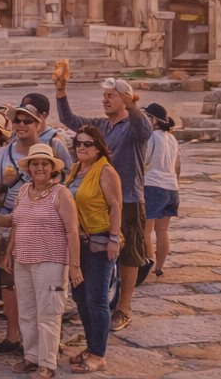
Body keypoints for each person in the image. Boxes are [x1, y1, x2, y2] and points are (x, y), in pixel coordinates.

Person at [54, 71, 151, 332]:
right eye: (104, 96)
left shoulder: (133, 125)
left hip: (128, 199)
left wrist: (132, 104)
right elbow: (69, 120)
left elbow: (146, 130)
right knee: (95, 252)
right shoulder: (101, 126)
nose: (105, 100)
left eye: (111, 96)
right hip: (96, 202)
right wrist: (61, 91)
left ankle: (123, 308)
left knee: (128, 255)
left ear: (125, 98)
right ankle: (95, 303)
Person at [0, 144, 81, 379]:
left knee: (48, 313)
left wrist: (74, 266)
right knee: (26, 312)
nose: (39, 167)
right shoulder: (24, 190)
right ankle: (31, 357)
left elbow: (72, 231)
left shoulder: (61, 194)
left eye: (44, 164)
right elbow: (15, 221)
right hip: (23, 261)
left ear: (52, 168)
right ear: (29, 167)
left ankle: (47, 364)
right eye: (35, 163)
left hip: (51, 261)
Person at [64, 125, 122, 374]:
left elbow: (116, 205)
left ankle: (98, 355)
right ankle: (91, 347)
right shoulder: (76, 169)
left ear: (98, 148)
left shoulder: (105, 170)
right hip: (77, 243)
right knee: (80, 298)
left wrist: (113, 239)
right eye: (78, 143)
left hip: (99, 242)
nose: (82, 147)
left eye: (88, 144)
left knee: (96, 299)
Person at [142, 103, 180, 279]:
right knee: (163, 230)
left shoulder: (152, 136)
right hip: (172, 188)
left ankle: (147, 262)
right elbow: (177, 165)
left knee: (145, 230)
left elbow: (144, 159)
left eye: (146, 118)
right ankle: (160, 266)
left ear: (154, 121)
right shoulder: (172, 138)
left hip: (153, 186)